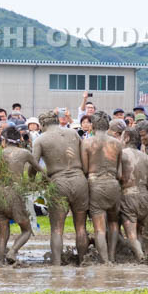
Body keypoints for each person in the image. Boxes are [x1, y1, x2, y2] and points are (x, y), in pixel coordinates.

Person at [32, 110, 89, 266]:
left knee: (57, 229)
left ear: (42, 124)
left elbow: (33, 164)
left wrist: (37, 179)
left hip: (58, 182)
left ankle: (56, 265)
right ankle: (84, 262)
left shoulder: (40, 140)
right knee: (81, 227)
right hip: (79, 180)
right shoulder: (73, 133)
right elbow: (85, 159)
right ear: (57, 120)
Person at [0, 126, 44, 264]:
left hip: (1, 194)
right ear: (18, 140)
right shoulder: (24, 153)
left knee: (3, 236)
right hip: (16, 194)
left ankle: (0, 262)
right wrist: (43, 183)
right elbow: (40, 170)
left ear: (4, 141)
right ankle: (13, 251)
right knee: (26, 230)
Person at [81, 115, 124, 264]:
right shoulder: (117, 144)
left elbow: (85, 169)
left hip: (96, 185)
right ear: (107, 127)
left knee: (99, 228)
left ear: (92, 126)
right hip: (113, 185)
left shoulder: (86, 143)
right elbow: (120, 173)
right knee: (113, 223)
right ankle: (112, 256)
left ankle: (105, 261)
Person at [115, 127, 148, 262]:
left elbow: (117, 176)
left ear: (126, 138)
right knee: (139, 234)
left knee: (131, 235)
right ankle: (140, 254)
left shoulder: (122, 154)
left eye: (121, 137)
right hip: (145, 198)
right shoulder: (147, 158)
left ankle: (141, 258)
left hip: (129, 196)